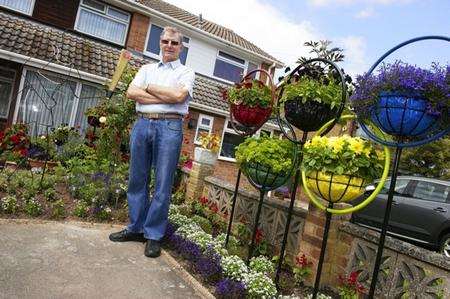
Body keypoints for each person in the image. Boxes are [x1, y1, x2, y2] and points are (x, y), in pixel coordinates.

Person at [109, 26, 195, 258]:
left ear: (181, 47)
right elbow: (130, 93)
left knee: (163, 182)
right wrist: (164, 95)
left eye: (174, 43)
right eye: (165, 41)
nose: (169, 46)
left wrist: (147, 88)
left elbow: (179, 98)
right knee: (137, 177)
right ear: (160, 43)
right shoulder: (146, 68)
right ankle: (136, 228)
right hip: (142, 124)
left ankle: (154, 235)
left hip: (170, 126)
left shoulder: (186, 73)